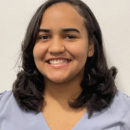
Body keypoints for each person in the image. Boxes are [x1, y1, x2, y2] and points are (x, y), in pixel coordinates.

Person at [0, 0, 130, 129]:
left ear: (90, 46)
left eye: (70, 36)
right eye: (44, 37)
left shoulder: (125, 112)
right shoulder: (3, 108)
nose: (56, 48)